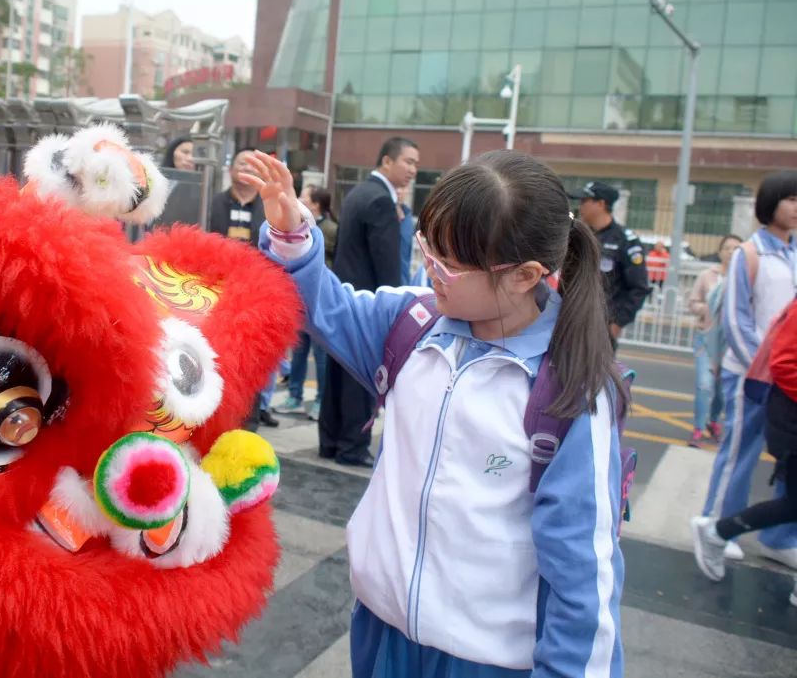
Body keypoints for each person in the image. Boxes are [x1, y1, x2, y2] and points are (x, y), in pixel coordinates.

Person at [243, 148, 625, 677]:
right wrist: (290, 231)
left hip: (484, 661)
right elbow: (325, 308)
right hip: (380, 629)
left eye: (450, 263)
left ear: (525, 275)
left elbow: (584, 575)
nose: (430, 269)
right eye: (427, 245)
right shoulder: (413, 324)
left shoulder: (569, 390)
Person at [702, 170, 797, 568]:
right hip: (751, 373)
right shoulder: (749, 254)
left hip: (787, 380)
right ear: (770, 203)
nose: (796, 208)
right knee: (740, 450)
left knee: (789, 462)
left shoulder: (792, 253)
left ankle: (778, 536)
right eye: (790, 199)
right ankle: (715, 524)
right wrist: (766, 367)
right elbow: (736, 320)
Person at [316, 137, 418, 467]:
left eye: (416, 164)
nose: (413, 170)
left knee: (336, 374)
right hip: (369, 302)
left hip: (345, 295)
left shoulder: (359, 193)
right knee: (362, 377)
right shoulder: (380, 201)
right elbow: (387, 266)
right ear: (387, 162)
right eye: (408, 162)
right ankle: (352, 447)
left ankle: (330, 442)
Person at [692, 297, 797, 608]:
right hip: (791, 418)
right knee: (793, 504)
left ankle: (717, 532)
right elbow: (784, 363)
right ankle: (717, 531)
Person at [207, 147, 277, 428]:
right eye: (240, 164)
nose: (245, 170)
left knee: (252, 362)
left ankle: (248, 422)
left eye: (252, 166)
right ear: (231, 170)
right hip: (214, 294)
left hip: (255, 296)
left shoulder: (269, 208)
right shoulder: (213, 204)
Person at [274, 186, 337, 421]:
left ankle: (321, 400)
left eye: (305, 197)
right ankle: (295, 396)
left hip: (320, 299)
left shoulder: (330, 229)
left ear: (316, 205)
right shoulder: (296, 225)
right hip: (298, 298)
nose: (299, 200)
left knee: (321, 355)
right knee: (299, 350)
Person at [573, 181, 650, 348]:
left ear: (601, 204)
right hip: (570, 320)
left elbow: (639, 287)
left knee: (594, 373)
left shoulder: (625, 241)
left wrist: (617, 323)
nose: (580, 206)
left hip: (601, 326)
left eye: (585, 201)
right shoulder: (577, 235)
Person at [687, 234, 742, 447]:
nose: (730, 252)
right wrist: (709, 308)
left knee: (721, 389)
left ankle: (713, 421)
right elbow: (693, 303)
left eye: (736, 248)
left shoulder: (743, 278)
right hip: (706, 338)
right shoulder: (707, 276)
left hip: (730, 343)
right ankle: (698, 428)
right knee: (704, 384)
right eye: (727, 248)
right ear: (720, 252)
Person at [396, 184, 416, 287]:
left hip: (404, 282)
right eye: (396, 187)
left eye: (402, 187)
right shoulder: (382, 216)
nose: (398, 191)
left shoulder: (408, 217)